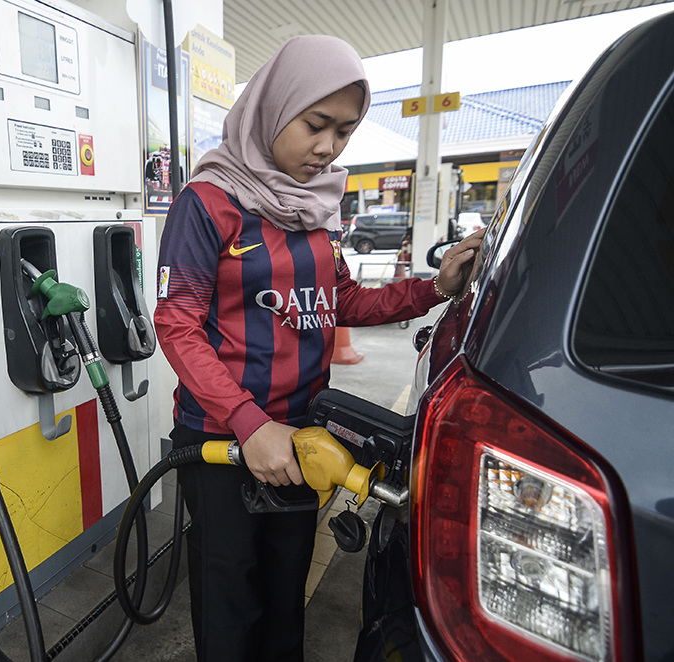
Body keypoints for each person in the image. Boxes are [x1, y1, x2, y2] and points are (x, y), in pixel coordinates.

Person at [153, 35, 482, 662]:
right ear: (276, 108)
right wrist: (250, 427)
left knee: (285, 596)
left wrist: (434, 288)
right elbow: (179, 326)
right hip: (223, 441)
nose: (328, 147)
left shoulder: (317, 210)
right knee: (230, 606)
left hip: (303, 437)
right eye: (316, 125)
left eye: (346, 132)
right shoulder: (209, 203)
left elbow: (346, 303)